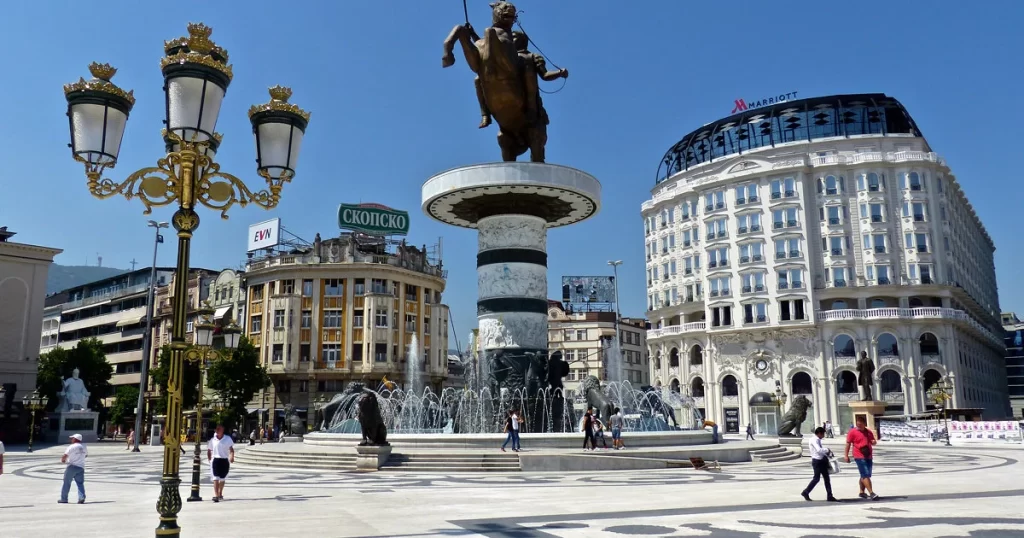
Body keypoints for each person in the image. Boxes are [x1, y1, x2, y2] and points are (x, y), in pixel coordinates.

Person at [844, 416, 879, 500]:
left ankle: (861, 492)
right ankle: (871, 492)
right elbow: (848, 444)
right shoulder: (852, 432)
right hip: (858, 455)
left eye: (860, 423)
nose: (858, 425)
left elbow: (873, 441)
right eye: (857, 423)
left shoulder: (868, 432)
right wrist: (846, 455)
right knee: (865, 474)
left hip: (868, 455)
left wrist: (873, 442)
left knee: (865, 474)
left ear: (864, 424)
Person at [801, 427, 838, 502]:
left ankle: (830, 495)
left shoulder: (817, 440)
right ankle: (806, 492)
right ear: (819, 433)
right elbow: (819, 450)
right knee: (816, 478)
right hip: (817, 461)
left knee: (826, 478)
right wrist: (827, 449)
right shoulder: (814, 440)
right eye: (823, 434)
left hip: (821, 460)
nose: (823, 435)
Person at [207, 424, 235, 503]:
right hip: (215, 460)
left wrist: (232, 456)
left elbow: (231, 449)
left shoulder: (227, 439)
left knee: (222, 479)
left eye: (220, 429)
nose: (218, 430)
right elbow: (209, 450)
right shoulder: (213, 440)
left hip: (224, 460)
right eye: (217, 429)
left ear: (223, 430)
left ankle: (220, 493)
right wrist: (209, 459)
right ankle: (216, 495)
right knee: (215, 478)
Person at [59, 434, 87, 504]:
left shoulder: (72, 446)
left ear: (75, 439)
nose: (71, 439)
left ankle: (64, 498)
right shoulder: (84, 446)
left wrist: (63, 460)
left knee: (66, 483)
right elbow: (86, 455)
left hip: (72, 466)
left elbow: (65, 455)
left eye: (72, 438)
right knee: (80, 483)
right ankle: (81, 497)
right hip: (81, 467)